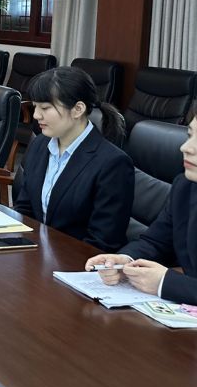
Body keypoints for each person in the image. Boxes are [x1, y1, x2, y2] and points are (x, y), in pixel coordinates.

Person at [13, 66, 133, 252]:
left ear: (78, 109)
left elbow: (102, 242)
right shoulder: (40, 144)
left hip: (77, 261)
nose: (36, 115)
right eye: (35, 106)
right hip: (34, 253)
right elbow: (25, 209)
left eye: (45, 108)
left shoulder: (113, 163)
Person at [87, 111, 197, 304]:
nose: (185, 147)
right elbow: (155, 242)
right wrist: (126, 261)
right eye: (190, 136)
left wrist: (165, 283)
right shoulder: (185, 187)